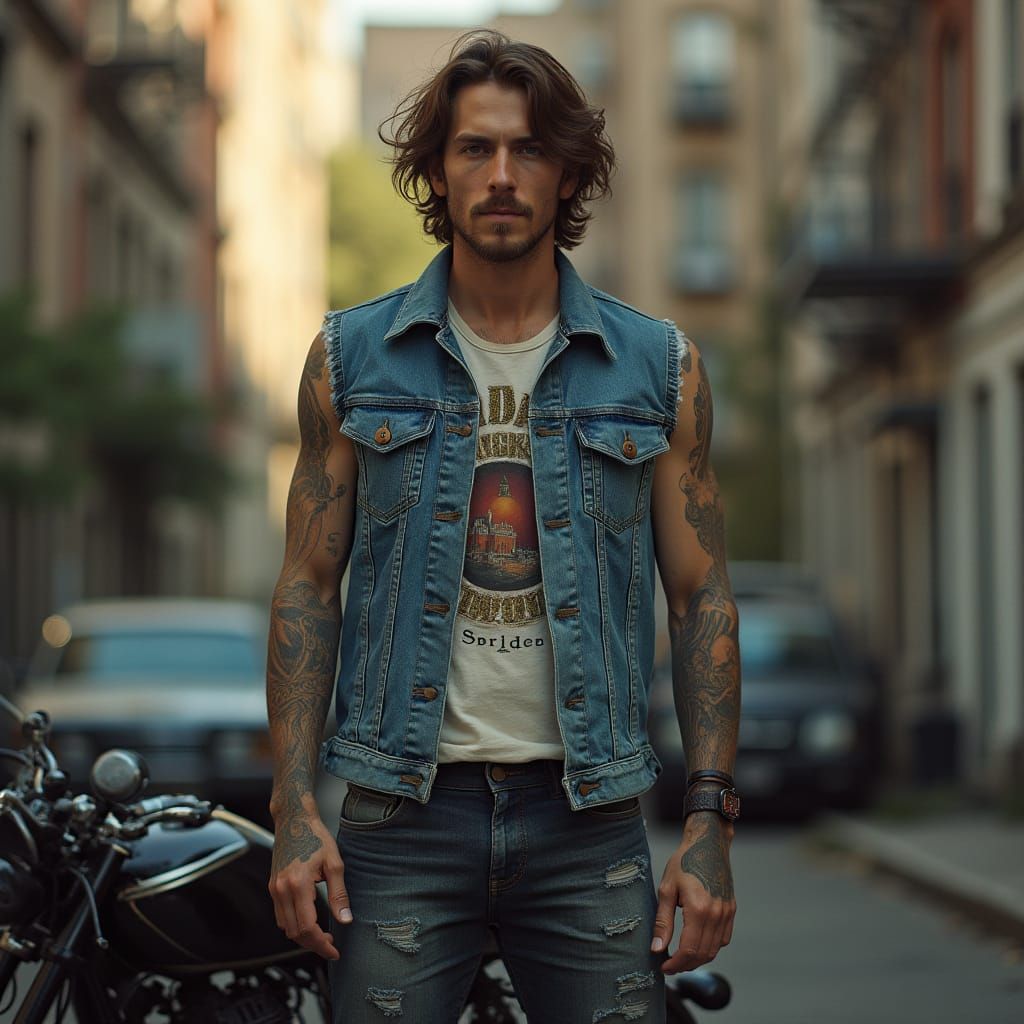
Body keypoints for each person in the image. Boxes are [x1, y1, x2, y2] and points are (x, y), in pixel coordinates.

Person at [266, 29, 741, 1024]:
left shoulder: (659, 368)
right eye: (474, 149)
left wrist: (708, 819)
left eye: (527, 149)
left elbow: (701, 598)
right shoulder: (351, 360)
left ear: (567, 171)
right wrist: (293, 804)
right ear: (436, 169)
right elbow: (308, 583)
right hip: (402, 816)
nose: (500, 175)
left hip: (587, 819)